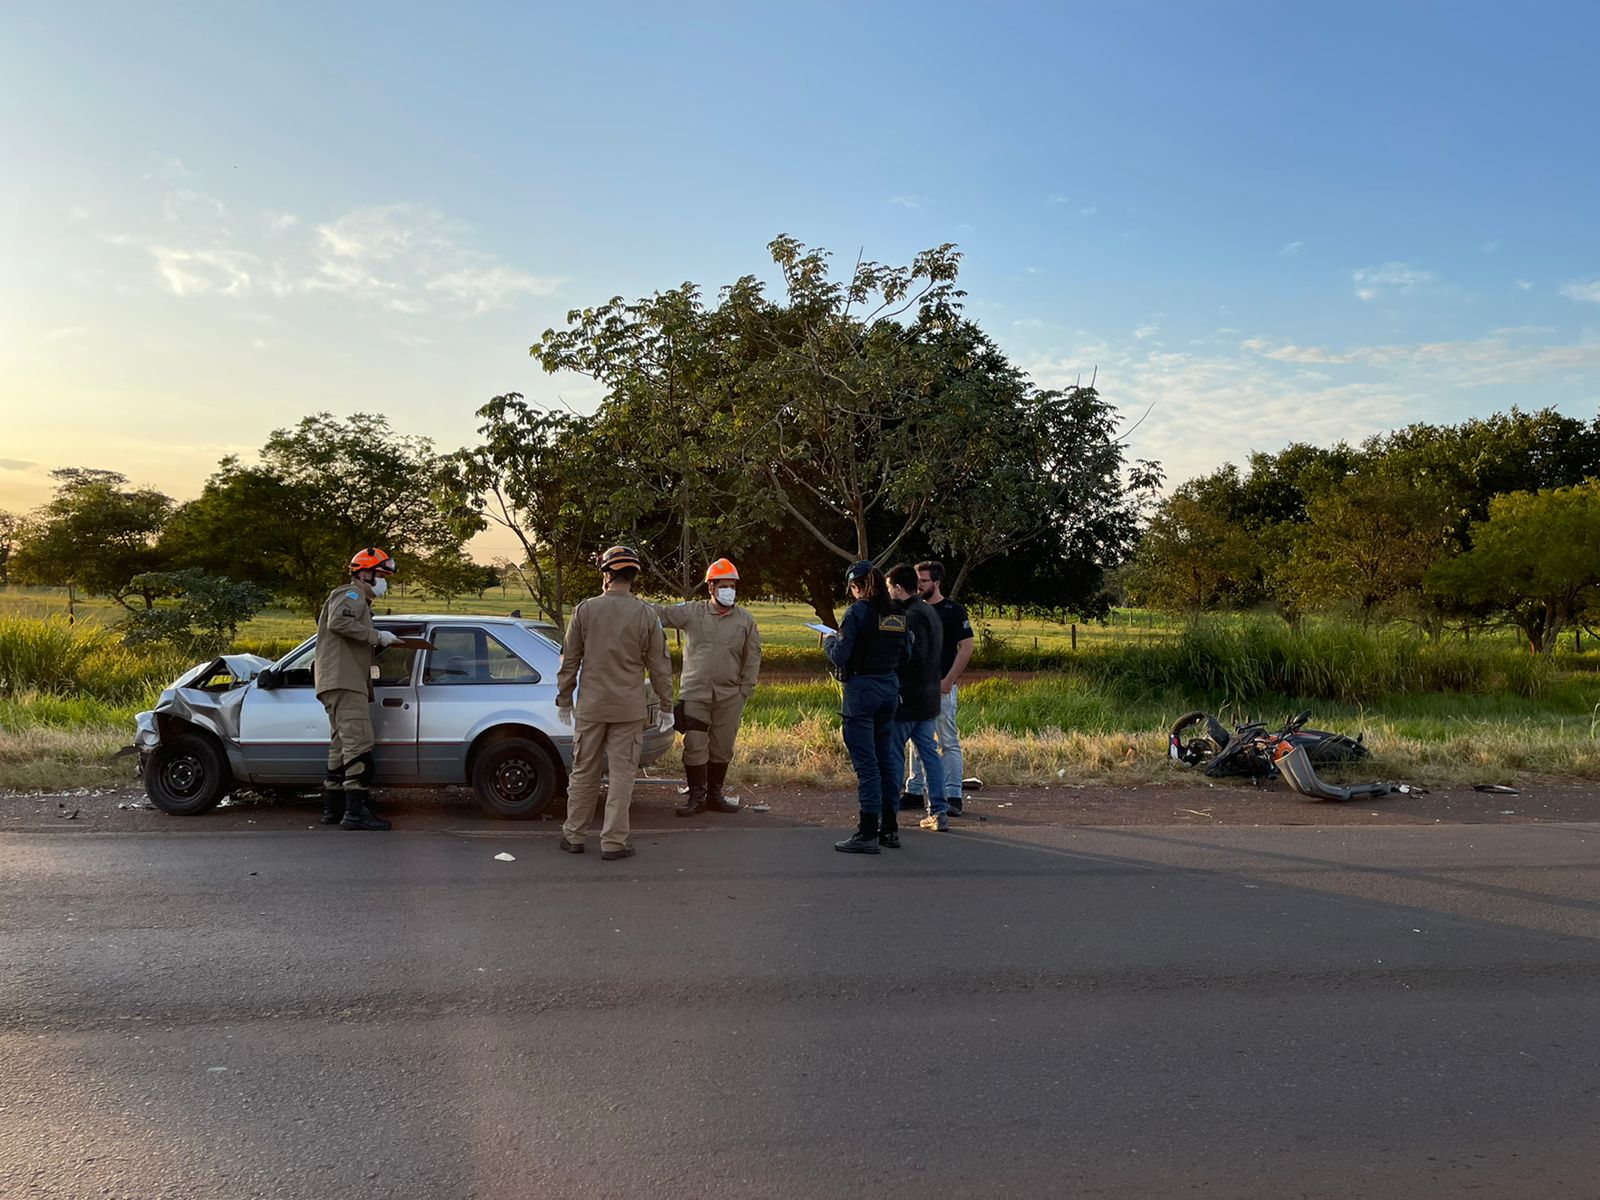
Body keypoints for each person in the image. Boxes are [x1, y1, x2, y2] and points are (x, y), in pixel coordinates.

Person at [556, 545, 675, 861]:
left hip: (591, 707)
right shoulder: (646, 614)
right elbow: (660, 665)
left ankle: (574, 835)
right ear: (632, 577)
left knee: (584, 771)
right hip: (628, 710)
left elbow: (570, 660)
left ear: (607, 575)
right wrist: (666, 705)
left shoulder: (585, 610)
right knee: (622, 774)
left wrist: (564, 699)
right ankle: (613, 842)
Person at [655, 558, 762, 818]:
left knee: (722, 746)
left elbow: (753, 655)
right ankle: (697, 797)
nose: (730, 591)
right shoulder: (693, 612)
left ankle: (715, 795)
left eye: (733, 586)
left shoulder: (745, 620)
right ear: (711, 588)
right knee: (694, 745)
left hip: (730, 695)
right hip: (695, 694)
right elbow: (659, 614)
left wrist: (744, 689)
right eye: (724, 586)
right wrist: (626, 605)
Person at [823, 561, 908, 854]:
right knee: (886, 760)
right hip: (889, 688)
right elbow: (906, 653)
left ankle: (868, 831)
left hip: (862, 691)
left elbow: (840, 656)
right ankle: (890, 829)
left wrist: (829, 642)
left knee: (867, 765)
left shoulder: (857, 612)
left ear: (857, 586)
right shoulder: (897, 613)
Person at [315, 547, 402, 831]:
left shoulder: (356, 600)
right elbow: (338, 622)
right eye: (381, 575)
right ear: (365, 574)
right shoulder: (352, 595)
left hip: (338, 681)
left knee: (340, 744)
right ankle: (356, 813)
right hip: (344, 681)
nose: (385, 582)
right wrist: (377, 636)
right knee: (359, 743)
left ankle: (334, 808)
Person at [904, 560, 975, 815]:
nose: (919, 585)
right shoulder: (912, 610)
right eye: (917, 580)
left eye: (923, 581)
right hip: (916, 688)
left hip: (941, 686)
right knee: (916, 740)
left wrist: (949, 680)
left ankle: (952, 795)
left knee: (947, 741)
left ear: (936, 582)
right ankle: (914, 791)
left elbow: (966, 647)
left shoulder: (953, 611)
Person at [885, 564, 946, 831]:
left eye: (889, 588)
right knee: (930, 755)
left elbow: (910, 655)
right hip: (929, 696)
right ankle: (938, 811)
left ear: (898, 588)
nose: (888, 593)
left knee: (895, 755)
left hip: (907, 697)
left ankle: (889, 814)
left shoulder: (906, 616)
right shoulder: (930, 611)